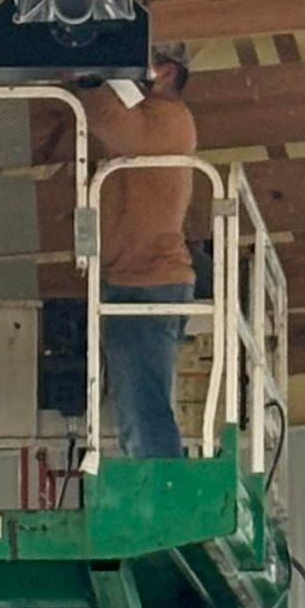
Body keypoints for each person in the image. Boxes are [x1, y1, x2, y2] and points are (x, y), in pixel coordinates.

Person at [76, 50, 198, 460]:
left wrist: (89, 75)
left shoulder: (169, 118)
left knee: (142, 405)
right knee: (138, 402)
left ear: (165, 73)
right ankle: (158, 481)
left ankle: (162, 484)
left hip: (147, 281)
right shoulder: (162, 121)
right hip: (142, 278)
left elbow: (110, 121)